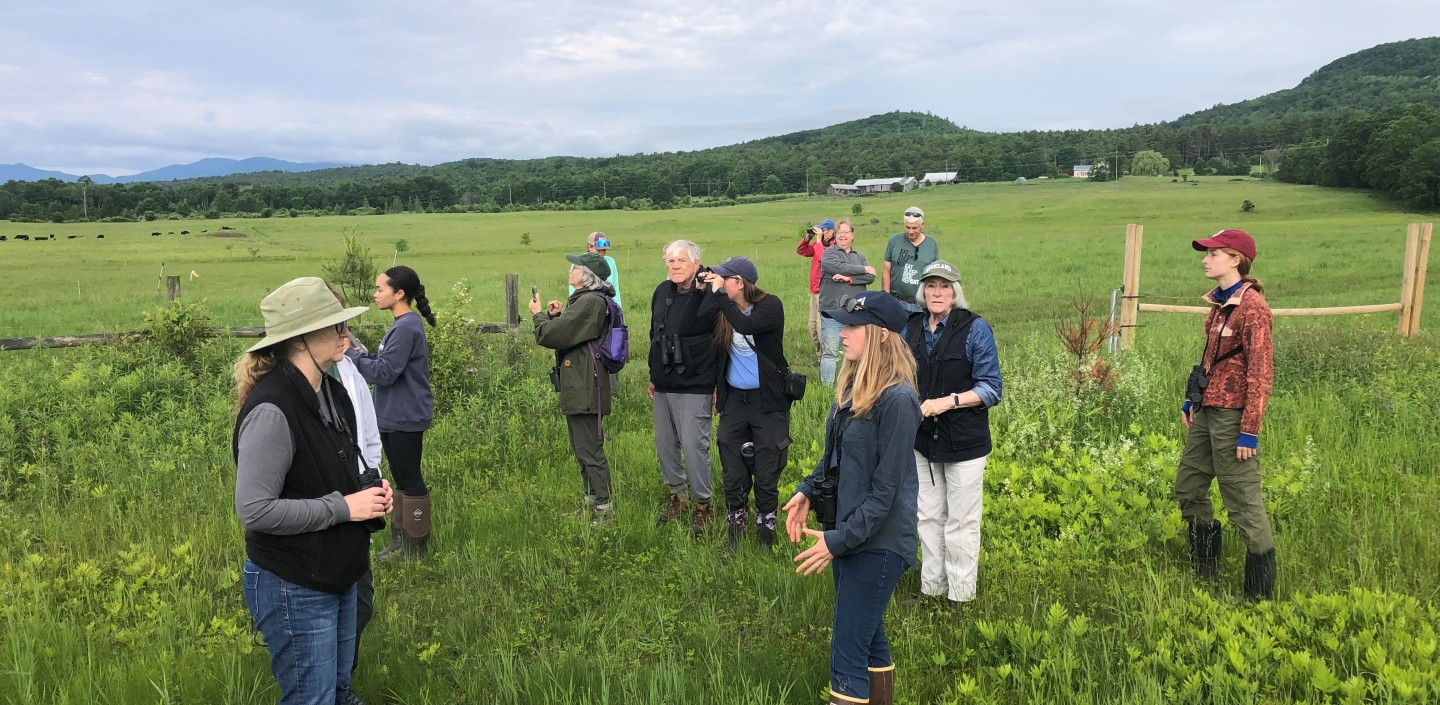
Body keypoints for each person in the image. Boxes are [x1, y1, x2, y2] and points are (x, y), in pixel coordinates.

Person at [233, 276, 392, 705]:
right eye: (335, 326)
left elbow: (330, 469)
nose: (346, 334)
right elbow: (255, 510)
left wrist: (370, 492)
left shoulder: (331, 390)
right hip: (295, 581)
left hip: (338, 570)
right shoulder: (272, 408)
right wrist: (345, 507)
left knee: (338, 690)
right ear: (301, 338)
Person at [783, 291, 921, 705]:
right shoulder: (851, 391)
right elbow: (834, 460)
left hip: (876, 544)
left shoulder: (898, 401)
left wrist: (835, 542)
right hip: (848, 534)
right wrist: (808, 489)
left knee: (846, 654)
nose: (841, 334)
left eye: (851, 327)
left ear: (880, 335)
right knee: (868, 637)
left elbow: (885, 495)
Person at [1175, 229, 1276, 600]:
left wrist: (1249, 430)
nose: (1205, 258)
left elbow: (1261, 372)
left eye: (1213, 253)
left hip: (1233, 418)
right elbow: (1212, 358)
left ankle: (1257, 597)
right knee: (1188, 487)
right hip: (1207, 411)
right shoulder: (1220, 304)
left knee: (1243, 502)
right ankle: (1205, 573)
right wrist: (1192, 398)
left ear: (1235, 259)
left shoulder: (1254, 309)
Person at [903, 260, 1002, 608]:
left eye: (944, 286)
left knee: (961, 520)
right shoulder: (912, 327)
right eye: (931, 286)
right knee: (928, 515)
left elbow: (992, 389)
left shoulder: (974, 328)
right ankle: (931, 589)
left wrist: (947, 402)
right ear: (923, 291)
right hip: (922, 441)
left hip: (966, 442)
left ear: (955, 291)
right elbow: (898, 372)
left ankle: (960, 597)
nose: (937, 293)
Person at [699, 257, 792, 551]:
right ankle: (735, 537)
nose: (719, 281)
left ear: (739, 283)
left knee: (766, 473)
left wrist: (720, 298)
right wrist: (704, 289)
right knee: (733, 472)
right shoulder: (722, 307)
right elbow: (699, 320)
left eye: (724, 278)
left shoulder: (770, 306)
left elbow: (747, 324)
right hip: (735, 402)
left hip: (768, 402)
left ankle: (766, 538)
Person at [345, 265, 436, 560]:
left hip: (405, 415)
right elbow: (385, 362)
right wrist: (359, 351)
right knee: (400, 478)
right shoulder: (401, 324)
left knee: (410, 478)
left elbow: (384, 373)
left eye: (379, 289)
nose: (375, 294)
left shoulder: (407, 326)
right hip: (392, 414)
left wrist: (351, 355)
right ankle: (401, 541)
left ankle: (416, 545)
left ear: (399, 294)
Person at [533, 252, 617, 526]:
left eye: (575, 268)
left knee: (590, 449)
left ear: (587, 276)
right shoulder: (586, 300)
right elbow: (570, 330)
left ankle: (605, 510)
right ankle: (592, 502)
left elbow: (554, 335)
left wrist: (539, 318)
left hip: (586, 384)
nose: (570, 271)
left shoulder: (590, 302)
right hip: (582, 382)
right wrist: (556, 315)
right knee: (582, 447)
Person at [326, 284, 384, 680]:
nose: (347, 336)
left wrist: (374, 478)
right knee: (323, 605)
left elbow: (369, 432)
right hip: (321, 510)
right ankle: (323, 682)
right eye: (338, 327)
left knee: (360, 602)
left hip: (358, 501)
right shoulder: (287, 387)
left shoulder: (348, 368)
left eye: (346, 326)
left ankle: (341, 682)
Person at [648, 240, 721, 533]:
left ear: (695, 263)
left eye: (681, 261)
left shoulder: (709, 293)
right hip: (664, 381)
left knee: (693, 446)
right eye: (670, 261)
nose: (675, 266)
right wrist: (652, 374)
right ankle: (677, 496)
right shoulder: (662, 291)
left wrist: (717, 384)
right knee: (665, 444)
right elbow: (655, 334)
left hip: (696, 383)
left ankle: (703, 505)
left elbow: (721, 342)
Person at [819, 219, 876, 386]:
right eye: (839, 233)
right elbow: (837, 266)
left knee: (858, 351)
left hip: (855, 312)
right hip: (832, 311)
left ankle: (856, 385)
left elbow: (870, 278)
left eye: (846, 232)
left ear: (853, 235)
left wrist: (848, 278)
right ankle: (827, 389)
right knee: (830, 352)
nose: (842, 236)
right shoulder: (829, 253)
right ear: (834, 236)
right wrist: (864, 269)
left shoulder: (860, 256)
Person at [882, 206, 940, 313]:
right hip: (896, 301)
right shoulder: (894, 241)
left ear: (922, 225)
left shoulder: (932, 244)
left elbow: (935, 274)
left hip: (921, 304)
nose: (911, 231)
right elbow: (886, 270)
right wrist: (886, 298)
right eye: (907, 227)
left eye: (915, 228)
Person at [797, 219, 838, 354]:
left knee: (822, 328)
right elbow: (801, 250)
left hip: (825, 292)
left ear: (832, 231)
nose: (821, 233)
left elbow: (823, 260)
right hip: (814, 291)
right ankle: (819, 355)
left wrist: (819, 241)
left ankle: (828, 357)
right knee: (813, 327)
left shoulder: (835, 247)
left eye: (823, 230)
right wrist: (808, 237)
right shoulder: (818, 245)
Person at [569, 231, 622, 307]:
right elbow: (573, 289)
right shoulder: (579, 262)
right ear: (590, 247)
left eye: (604, 250)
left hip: (606, 306)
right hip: (585, 306)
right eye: (598, 250)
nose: (601, 253)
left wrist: (618, 307)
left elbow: (615, 287)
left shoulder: (610, 262)